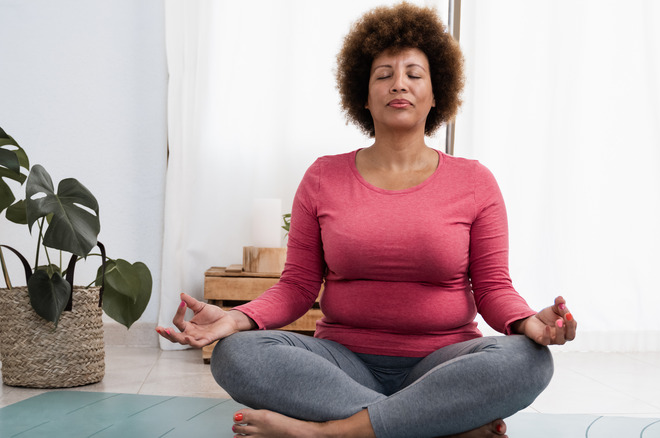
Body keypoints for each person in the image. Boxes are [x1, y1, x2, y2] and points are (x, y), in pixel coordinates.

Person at [157, 3, 577, 437]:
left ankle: (328, 433)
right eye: (384, 75)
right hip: (342, 365)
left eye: (415, 74)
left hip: (443, 365)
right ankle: (434, 424)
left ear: (437, 93)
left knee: (528, 360)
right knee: (236, 355)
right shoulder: (323, 176)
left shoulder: (474, 182)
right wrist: (237, 318)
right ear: (363, 93)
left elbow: (493, 290)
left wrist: (531, 323)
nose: (400, 84)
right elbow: (297, 286)